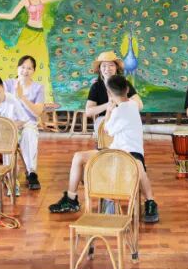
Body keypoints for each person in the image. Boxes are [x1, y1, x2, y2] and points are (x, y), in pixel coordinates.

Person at [49, 75, 159, 223]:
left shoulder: (118, 111)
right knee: (81, 157)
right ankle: (150, 202)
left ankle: (72, 197)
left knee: (79, 157)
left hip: (127, 154)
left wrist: (108, 111)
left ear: (109, 93)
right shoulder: (133, 104)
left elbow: (107, 130)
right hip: (117, 151)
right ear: (127, 89)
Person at [0, 0, 71, 102]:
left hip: (39, 35)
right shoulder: (25, 1)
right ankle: (16, 92)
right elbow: (11, 15)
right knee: (21, 61)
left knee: (42, 62)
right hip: (28, 33)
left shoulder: (41, 0)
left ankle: (42, 98)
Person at [0, 73, 41, 191]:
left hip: (13, 130)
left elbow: (23, 119)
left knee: (29, 132)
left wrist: (8, 127)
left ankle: (31, 172)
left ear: (3, 89)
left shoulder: (11, 99)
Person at [85, 50, 143, 134]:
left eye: (111, 65)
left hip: (124, 117)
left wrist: (121, 103)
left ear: (116, 67)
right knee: (105, 130)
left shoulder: (124, 83)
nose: (107, 68)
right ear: (100, 69)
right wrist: (108, 105)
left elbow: (140, 105)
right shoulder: (96, 87)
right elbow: (88, 112)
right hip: (103, 118)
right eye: (104, 66)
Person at [5, 55, 48, 129]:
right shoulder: (8, 84)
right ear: (17, 68)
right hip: (10, 124)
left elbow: (38, 112)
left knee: (28, 132)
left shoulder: (38, 88)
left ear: (34, 71)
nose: (25, 71)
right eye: (23, 67)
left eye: (29, 68)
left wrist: (22, 97)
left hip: (29, 125)